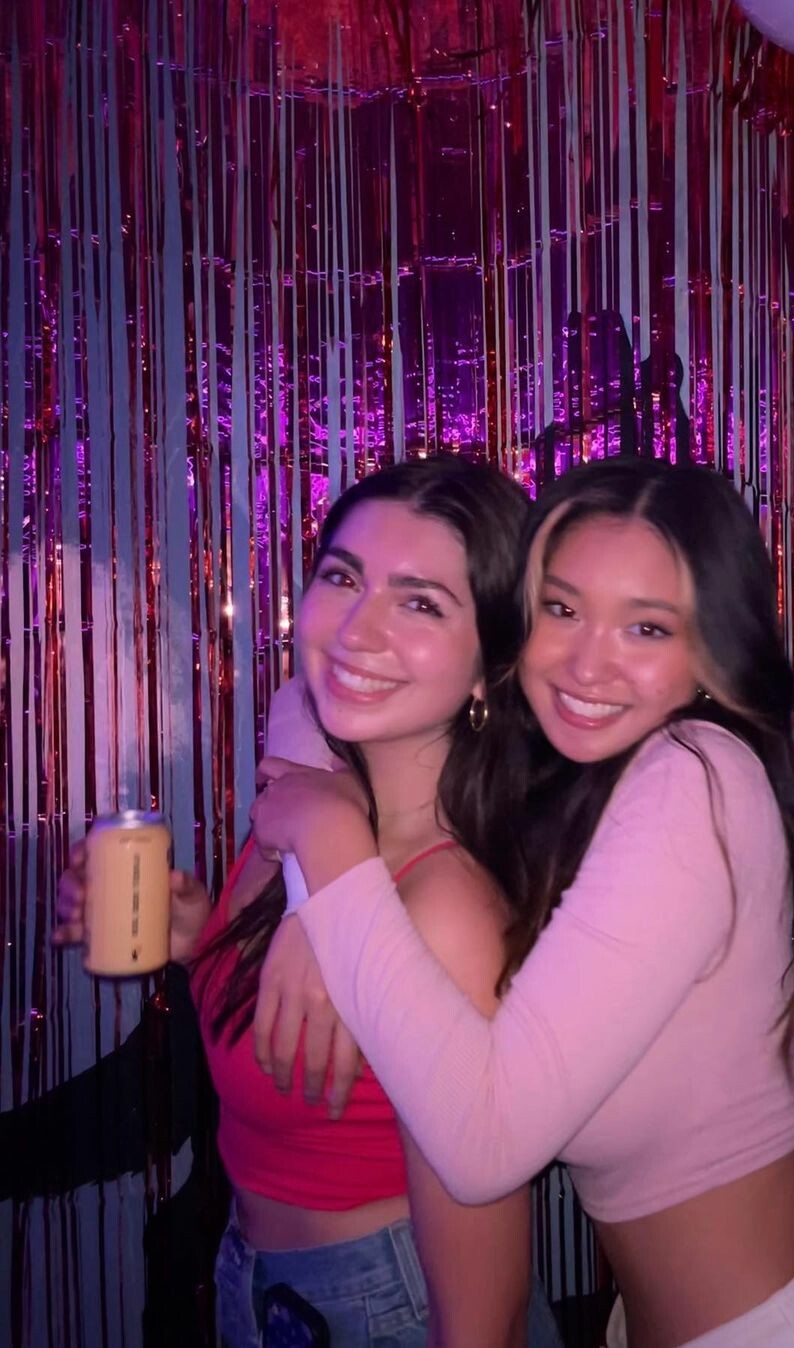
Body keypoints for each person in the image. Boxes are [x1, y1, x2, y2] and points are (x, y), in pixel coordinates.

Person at [248, 456, 794, 1348]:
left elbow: (485, 1148)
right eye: (562, 610)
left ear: (713, 652)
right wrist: (308, 894)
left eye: (646, 628)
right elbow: (316, 695)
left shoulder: (696, 780)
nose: (585, 663)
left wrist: (331, 848)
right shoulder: (585, 769)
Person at [56, 456, 562, 1348]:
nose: (358, 629)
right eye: (343, 577)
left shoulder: (445, 911)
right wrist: (197, 937)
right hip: (253, 1276)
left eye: (421, 603)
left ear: (491, 665)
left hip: (387, 1305)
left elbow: (484, 1318)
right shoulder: (304, 811)